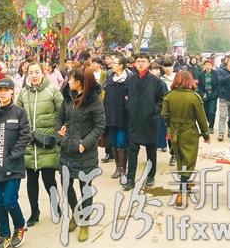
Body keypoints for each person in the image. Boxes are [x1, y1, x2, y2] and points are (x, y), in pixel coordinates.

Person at [56, 66, 105, 242]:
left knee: (85, 189)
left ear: (78, 82)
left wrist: (85, 144)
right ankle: (76, 214)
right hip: (67, 150)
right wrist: (59, 133)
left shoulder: (94, 100)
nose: (67, 81)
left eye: (70, 79)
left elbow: (99, 126)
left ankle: (85, 222)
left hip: (85, 153)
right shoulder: (68, 96)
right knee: (66, 185)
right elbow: (60, 117)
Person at [0, 77, 31, 248]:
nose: (2, 93)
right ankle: (4, 235)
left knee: (9, 200)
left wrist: (13, 155)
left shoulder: (19, 113)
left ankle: (20, 226)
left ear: (12, 92)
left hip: (13, 166)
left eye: (6, 90)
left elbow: (25, 136)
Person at [16, 61, 63, 227]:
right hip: (29, 145)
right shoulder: (23, 93)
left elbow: (63, 114)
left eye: (37, 72)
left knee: (49, 180)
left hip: (47, 144)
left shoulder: (52, 90)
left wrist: (58, 135)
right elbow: (17, 116)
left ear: (43, 73)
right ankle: (34, 212)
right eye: (31, 73)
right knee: (31, 181)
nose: (34, 76)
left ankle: (56, 207)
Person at [161, 71, 210, 207]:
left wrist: (170, 125)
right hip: (189, 133)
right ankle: (181, 192)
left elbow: (164, 115)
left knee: (180, 159)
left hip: (174, 132)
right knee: (189, 161)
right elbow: (201, 118)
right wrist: (206, 135)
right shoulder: (194, 97)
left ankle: (186, 182)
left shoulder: (169, 96)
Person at [123, 54, 167, 190]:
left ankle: (150, 176)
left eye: (143, 61)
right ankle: (130, 179)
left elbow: (162, 99)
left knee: (151, 150)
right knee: (132, 151)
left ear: (148, 63)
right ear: (135, 64)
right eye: (138, 61)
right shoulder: (131, 80)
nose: (140, 63)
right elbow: (126, 96)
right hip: (134, 120)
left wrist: (154, 111)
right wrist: (129, 107)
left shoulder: (157, 82)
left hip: (150, 121)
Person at [102, 55, 131, 183]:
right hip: (111, 116)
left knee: (121, 142)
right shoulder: (110, 78)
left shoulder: (129, 79)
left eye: (115, 63)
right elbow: (106, 97)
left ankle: (123, 170)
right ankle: (118, 167)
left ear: (121, 65)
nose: (112, 64)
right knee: (113, 142)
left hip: (123, 116)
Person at [197, 60, 219, 133]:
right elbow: (199, 86)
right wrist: (202, 94)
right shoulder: (201, 74)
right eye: (206, 65)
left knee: (211, 111)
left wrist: (215, 94)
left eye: (209, 65)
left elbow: (218, 85)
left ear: (212, 66)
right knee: (205, 112)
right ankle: (210, 121)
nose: (207, 66)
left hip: (213, 95)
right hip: (204, 96)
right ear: (204, 66)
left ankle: (211, 127)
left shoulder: (215, 73)